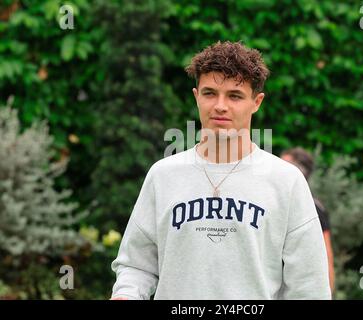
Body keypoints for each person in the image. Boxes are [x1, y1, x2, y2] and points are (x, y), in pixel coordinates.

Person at [110, 41, 331, 300]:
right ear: (196, 96)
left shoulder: (286, 181)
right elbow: (136, 266)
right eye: (210, 93)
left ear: (256, 102)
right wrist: (126, 294)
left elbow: (309, 285)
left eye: (234, 96)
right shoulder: (162, 175)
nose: (220, 106)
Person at [280, 147, 335, 294]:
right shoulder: (275, 203)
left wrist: (328, 291)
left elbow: (325, 254)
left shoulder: (313, 208)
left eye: (283, 166)